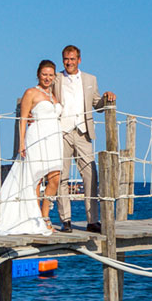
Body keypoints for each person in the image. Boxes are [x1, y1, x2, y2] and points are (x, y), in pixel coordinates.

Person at [0, 60, 63, 235]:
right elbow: (23, 119)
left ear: (54, 76)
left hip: (54, 140)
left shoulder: (54, 95)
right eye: (44, 74)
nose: (47, 78)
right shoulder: (31, 92)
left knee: (55, 178)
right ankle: (35, 219)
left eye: (50, 75)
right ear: (38, 75)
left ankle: (45, 215)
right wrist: (22, 143)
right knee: (35, 179)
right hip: (36, 138)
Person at [52, 45, 116, 233]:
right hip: (62, 132)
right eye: (66, 59)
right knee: (61, 176)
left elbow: (97, 105)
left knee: (90, 175)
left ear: (79, 59)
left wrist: (107, 98)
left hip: (83, 132)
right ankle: (66, 221)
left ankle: (92, 220)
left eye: (72, 59)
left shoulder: (90, 79)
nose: (69, 62)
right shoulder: (56, 78)